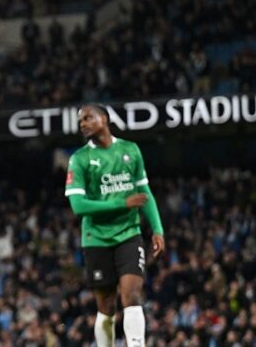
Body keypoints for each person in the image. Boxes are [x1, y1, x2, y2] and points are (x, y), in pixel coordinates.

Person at [64, 104, 166, 347]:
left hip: (129, 234)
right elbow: (78, 205)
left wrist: (158, 229)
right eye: (80, 121)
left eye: (88, 118)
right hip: (96, 238)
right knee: (106, 306)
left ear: (105, 118)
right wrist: (122, 203)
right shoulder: (79, 159)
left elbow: (144, 191)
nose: (83, 124)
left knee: (131, 294)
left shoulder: (130, 150)